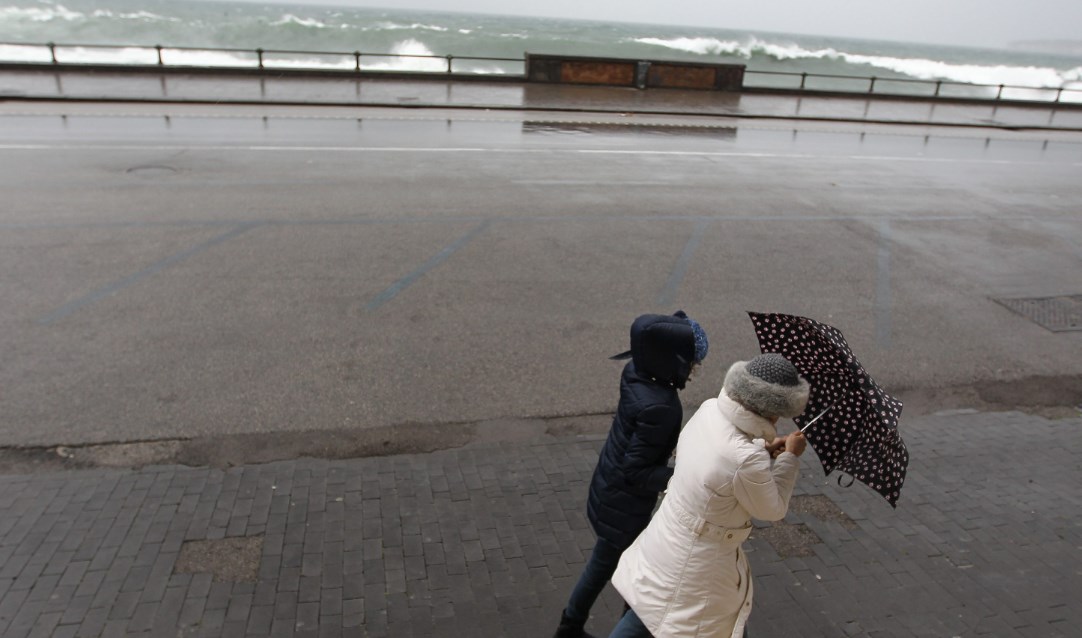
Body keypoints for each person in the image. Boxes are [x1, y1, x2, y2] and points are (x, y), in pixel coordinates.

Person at [608, 353, 811, 638]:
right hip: (698, 567)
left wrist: (763, 449)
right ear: (771, 409)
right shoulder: (745, 459)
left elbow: (717, 467)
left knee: (648, 610)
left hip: (665, 539)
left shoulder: (709, 410)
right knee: (674, 618)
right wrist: (789, 457)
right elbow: (772, 509)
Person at [554, 311, 709, 638]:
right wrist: (679, 476)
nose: (694, 371)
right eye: (692, 363)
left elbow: (636, 448)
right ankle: (583, 625)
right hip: (625, 507)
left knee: (606, 565)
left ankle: (571, 625)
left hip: (609, 490)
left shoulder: (637, 373)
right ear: (671, 360)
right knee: (635, 572)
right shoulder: (662, 406)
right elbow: (636, 470)